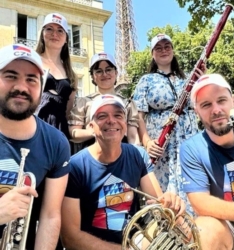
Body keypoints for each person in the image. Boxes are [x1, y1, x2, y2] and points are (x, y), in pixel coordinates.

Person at [61, 94, 186, 249]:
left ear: (125, 124)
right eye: (102, 116)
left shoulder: (138, 155)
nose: (111, 120)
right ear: (91, 126)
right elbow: (70, 237)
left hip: (133, 243)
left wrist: (171, 203)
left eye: (118, 115)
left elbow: (159, 205)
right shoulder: (75, 166)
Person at [0, 44, 70, 249]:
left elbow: (50, 216)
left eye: (31, 79)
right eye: (11, 76)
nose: (21, 87)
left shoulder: (56, 143)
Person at [132, 33, 205, 215]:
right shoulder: (146, 80)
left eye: (167, 46)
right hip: (161, 147)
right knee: (164, 196)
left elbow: (202, 104)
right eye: (158, 47)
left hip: (189, 143)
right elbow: (137, 116)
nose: (163, 50)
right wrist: (147, 142)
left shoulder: (188, 78)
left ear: (173, 50)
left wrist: (202, 79)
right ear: (152, 54)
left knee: (194, 188)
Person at [180, 73, 234, 250]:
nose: (216, 110)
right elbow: (200, 202)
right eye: (206, 105)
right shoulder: (191, 148)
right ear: (197, 111)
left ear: (233, 101)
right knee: (205, 228)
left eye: (221, 100)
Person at [68, 52, 140, 153]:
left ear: (116, 73)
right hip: (92, 156)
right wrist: (93, 132)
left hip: (122, 156)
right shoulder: (83, 102)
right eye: (98, 71)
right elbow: (73, 133)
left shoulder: (127, 103)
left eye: (108, 69)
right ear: (92, 76)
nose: (104, 74)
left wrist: (138, 157)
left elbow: (133, 137)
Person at [35, 13, 77, 139]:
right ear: (42, 34)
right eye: (49, 29)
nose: (55, 34)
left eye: (60, 30)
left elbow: (68, 112)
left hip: (60, 131)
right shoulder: (31, 61)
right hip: (33, 126)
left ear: (66, 39)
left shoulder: (71, 74)